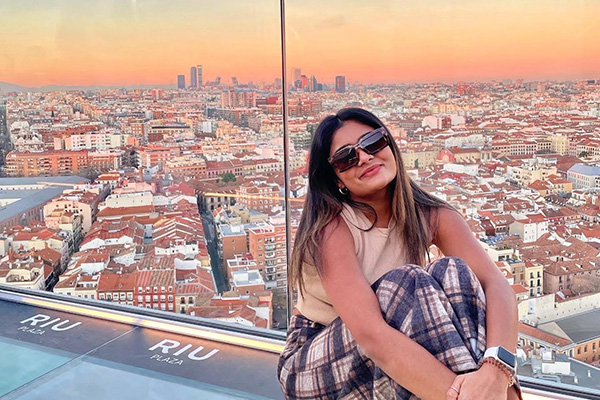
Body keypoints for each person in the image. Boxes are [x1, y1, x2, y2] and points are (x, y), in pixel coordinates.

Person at [278, 108, 523, 400]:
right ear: (337, 179)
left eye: (372, 143)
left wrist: (495, 371)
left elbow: (496, 286)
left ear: (389, 146)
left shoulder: (433, 216)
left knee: (452, 271)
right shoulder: (331, 227)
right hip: (313, 362)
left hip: (392, 350)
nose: (365, 157)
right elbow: (371, 336)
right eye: (346, 158)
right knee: (405, 282)